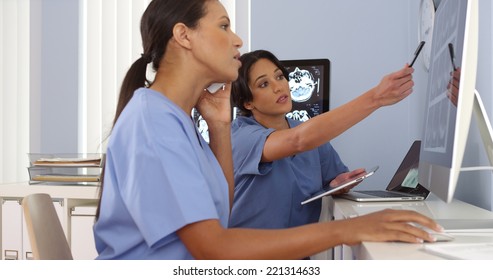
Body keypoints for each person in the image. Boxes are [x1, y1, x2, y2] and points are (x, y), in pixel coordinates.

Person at [94, 0, 442, 260]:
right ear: (184, 35)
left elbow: (220, 214)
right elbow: (214, 247)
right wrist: (347, 230)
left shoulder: (179, 122)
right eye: (224, 26)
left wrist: (218, 127)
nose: (237, 40)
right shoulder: (153, 121)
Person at [228, 50, 417, 233]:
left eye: (279, 77)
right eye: (263, 84)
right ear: (247, 103)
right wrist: (376, 97)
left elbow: (330, 180)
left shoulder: (309, 133)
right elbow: (298, 141)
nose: (279, 87)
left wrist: (336, 186)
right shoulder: (240, 136)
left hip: (296, 254)